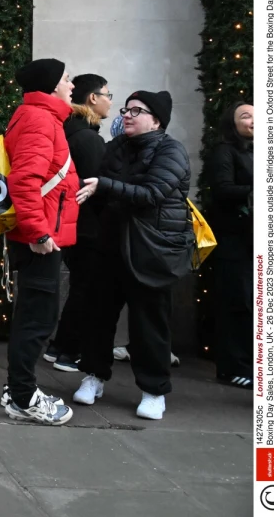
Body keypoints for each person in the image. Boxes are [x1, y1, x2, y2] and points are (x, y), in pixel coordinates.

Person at [73, 90, 191, 421]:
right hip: (110, 246)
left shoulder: (172, 151)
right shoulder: (116, 148)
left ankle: (154, 391)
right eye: (126, 109)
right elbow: (96, 189)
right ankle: (94, 376)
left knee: (149, 325)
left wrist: (105, 187)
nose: (126, 115)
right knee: (97, 317)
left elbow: (152, 193)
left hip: (152, 252)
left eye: (137, 111)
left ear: (157, 120)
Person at [1, 58, 80, 426]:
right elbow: (24, 180)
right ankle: (23, 396)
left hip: (41, 234)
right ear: (50, 85)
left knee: (32, 316)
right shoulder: (39, 119)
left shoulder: (39, 116)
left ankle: (17, 388)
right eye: (66, 79)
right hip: (40, 238)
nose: (72, 85)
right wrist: (39, 232)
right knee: (38, 319)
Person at [45, 74, 112, 372]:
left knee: (81, 288)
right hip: (89, 227)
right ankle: (68, 351)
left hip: (72, 225)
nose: (111, 101)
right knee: (87, 290)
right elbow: (98, 187)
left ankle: (59, 346)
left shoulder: (70, 131)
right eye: (108, 94)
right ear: (93, 98)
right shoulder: (88, 138)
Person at [206, 101, 254, 389]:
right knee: (237, 302)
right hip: (234, 239)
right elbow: (222, 190)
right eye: (246, 116)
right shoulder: (224, 151)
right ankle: (232, 366)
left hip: (255, 238)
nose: (253, 121)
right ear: (232, 124)